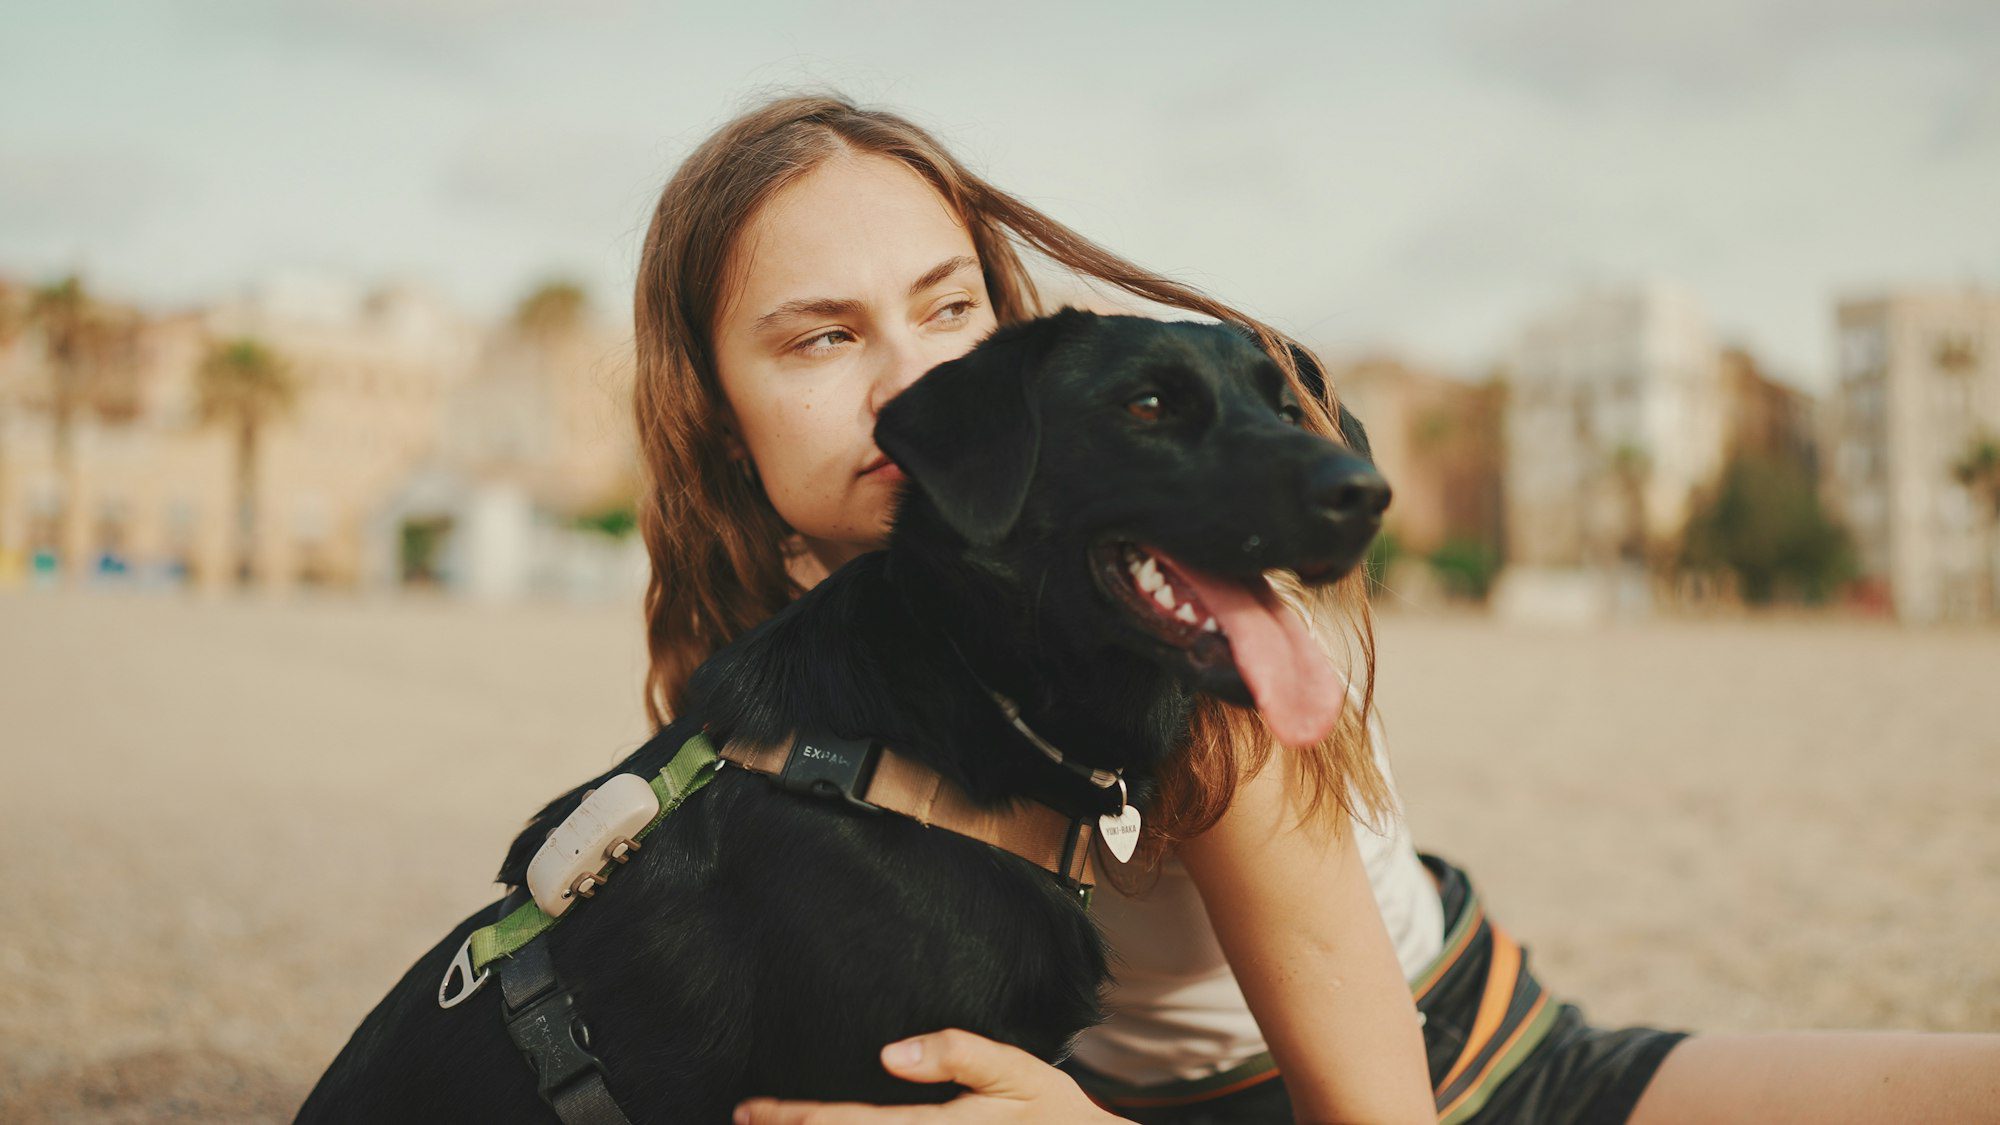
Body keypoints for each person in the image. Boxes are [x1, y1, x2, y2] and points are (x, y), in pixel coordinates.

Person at [623, 92, 2000, 1125]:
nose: (908, 383)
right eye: (822, 336)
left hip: (1473, 1075)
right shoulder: (761, 669)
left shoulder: (1153, 624)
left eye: (949, 309)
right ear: (719, 421)